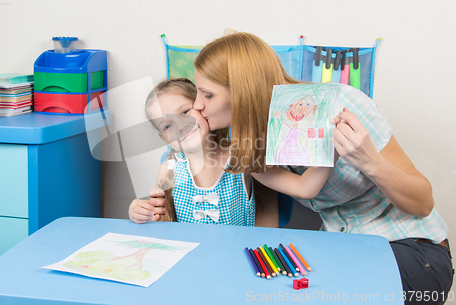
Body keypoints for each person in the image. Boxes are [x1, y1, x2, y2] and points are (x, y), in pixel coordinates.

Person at [191, 32, 453, 304]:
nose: (198, 104)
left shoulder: (342, 103)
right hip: (343, 249)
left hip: (408, 247)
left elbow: (423, 204)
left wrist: (369, 161)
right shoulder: (250, 148)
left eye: (207, 94)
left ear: (244, 91)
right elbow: (304, 189)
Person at [128, 78, 336, 227]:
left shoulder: (241, 157)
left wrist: (333, 145)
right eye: (167, 126)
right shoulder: (167, 170)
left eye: (185, 112)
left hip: (236, 261)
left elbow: (302, 189)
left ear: (202, 108)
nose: (181, 125)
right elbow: (161, 221)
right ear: (164, 138)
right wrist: (140, 212)